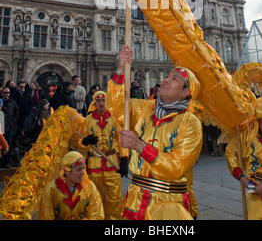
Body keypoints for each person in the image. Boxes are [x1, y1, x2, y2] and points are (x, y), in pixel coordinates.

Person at [108, 45, 203, 220]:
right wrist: (120, 70)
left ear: (186, 92)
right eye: (167, 76)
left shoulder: (191, 123)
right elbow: (116, 108)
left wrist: (139, 145)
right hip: (135, 201)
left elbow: (176, 167)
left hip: (169, 204)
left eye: (174, 79)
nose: (165, 80)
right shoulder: (144, 108)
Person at [80, 90, 127, 220]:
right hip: (94, 164)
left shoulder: (114, 118)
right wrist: (85, 141)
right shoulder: (88, 120)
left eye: (103, 100)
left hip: (111, 162)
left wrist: (124, 159)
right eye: (98, 101)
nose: (101, 103)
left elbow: (121, 139)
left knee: (115, 198)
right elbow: (80, 142)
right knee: (96, 197)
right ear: (94, 103)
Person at [39, 151, 105, 220]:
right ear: (66, 170)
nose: (83, 172)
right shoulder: (50, 190)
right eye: (79, 169)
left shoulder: (89, 187)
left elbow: (98, 215)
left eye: (83, 168)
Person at [0, 86, 19, 168]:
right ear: (1, 93)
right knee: (1, 145)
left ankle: (7, 162)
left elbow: (16, 113)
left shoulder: (12, 102)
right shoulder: (0, 102)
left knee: (8, 145)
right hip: (1, 127)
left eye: (8, 93)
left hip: (8, 127)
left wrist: (13, 121)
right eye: (4, 93)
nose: (6, 94)